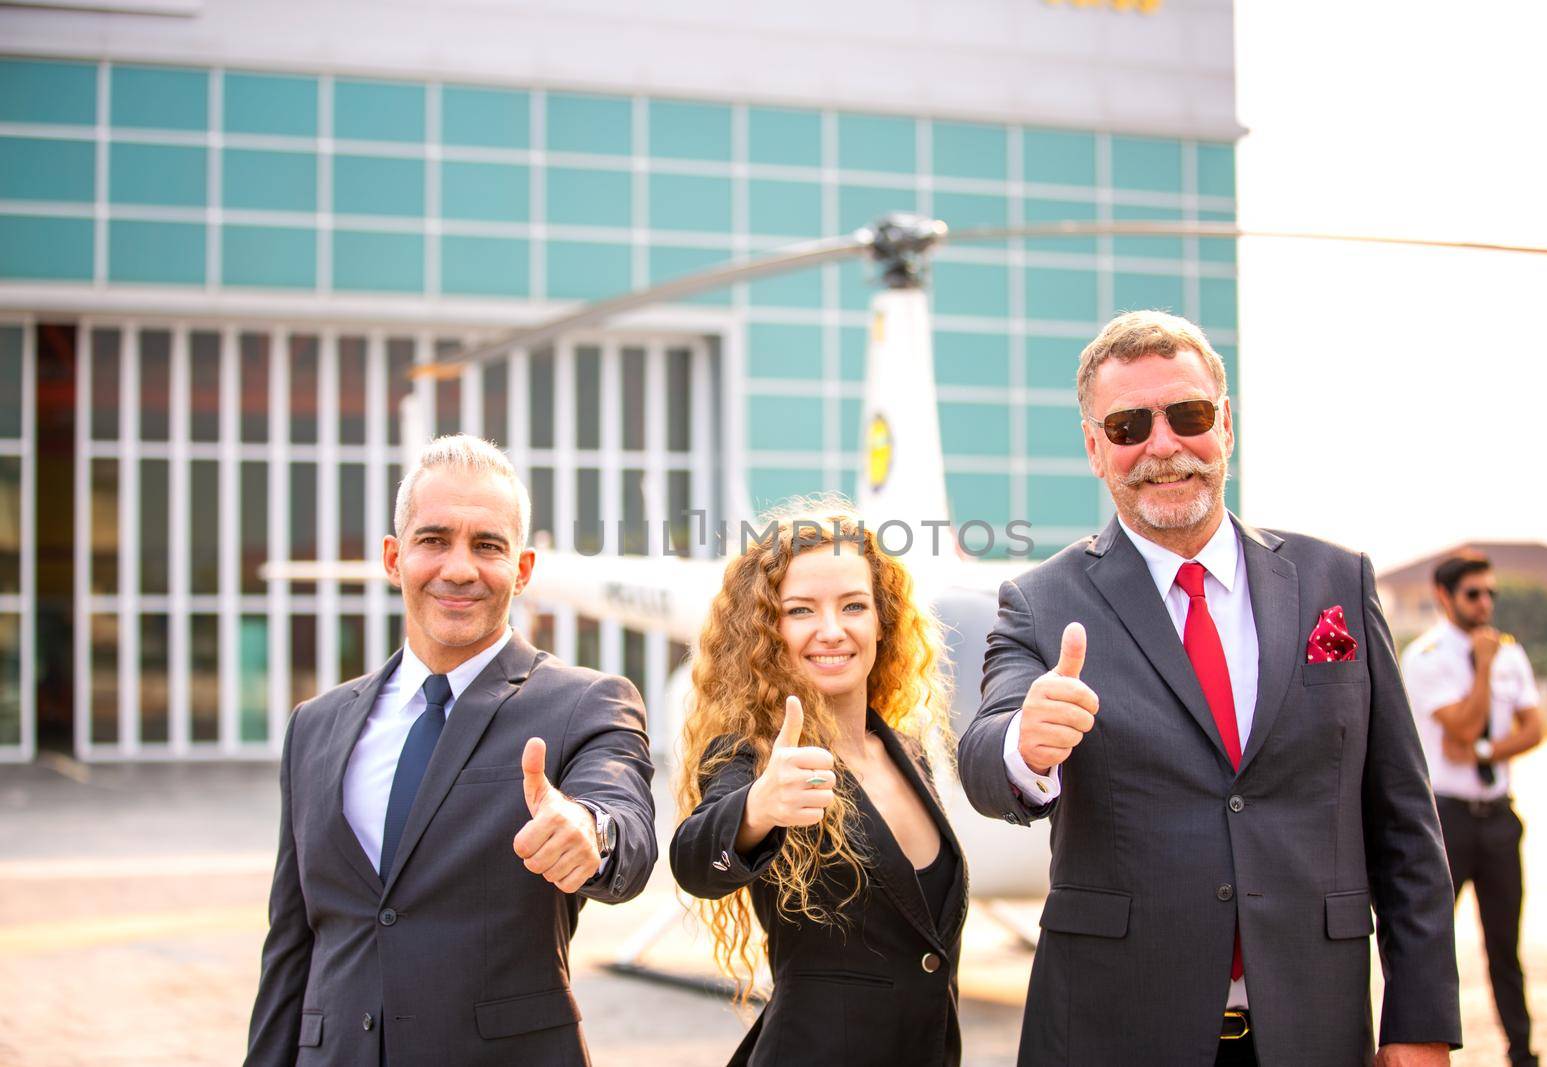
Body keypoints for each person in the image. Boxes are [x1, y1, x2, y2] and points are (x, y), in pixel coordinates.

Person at [957, 310, 1461, 1066]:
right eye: (1128, 425)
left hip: (1313, 1028)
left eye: (1186, 415)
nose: (1161, 446)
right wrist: (1022, 745)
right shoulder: (1039, 601)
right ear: (1096, 449)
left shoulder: (1338, 581)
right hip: (1113, 1031)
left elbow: (1403, 822)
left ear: (1225, 425)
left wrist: (1419, 1022)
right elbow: (985, 753)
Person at [245, 434, 656, 1067]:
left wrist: (591, 831)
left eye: (487, 545)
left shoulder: (588, 704)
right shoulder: (314, 727)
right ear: (393, 557)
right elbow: (292, 945)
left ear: (521, 569)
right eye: (434, 540)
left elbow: (624, 821)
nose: (459, 568)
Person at [670, 503, 966, 1066]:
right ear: (768, 631)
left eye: (853, 605)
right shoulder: (752, 756)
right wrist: (758, 807)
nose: (832, 631)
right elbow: (694, 858)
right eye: (800, 610)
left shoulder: (907, 751)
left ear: (882, 619)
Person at [1401, 552, 1545, 1067]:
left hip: (1498, 817)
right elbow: (1461, 727)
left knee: (1506, 948)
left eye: (1491, 594)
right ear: (1445, 596)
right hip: (1447, 819)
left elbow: (1533, 730)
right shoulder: (1426, 657)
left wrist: (1485, 751)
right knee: (1431, 942)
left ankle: (1522, 1053)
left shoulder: (1511, 653)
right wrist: (1481, 667)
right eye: (1473, 594)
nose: (1485, 604)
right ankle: (1427, 1049)